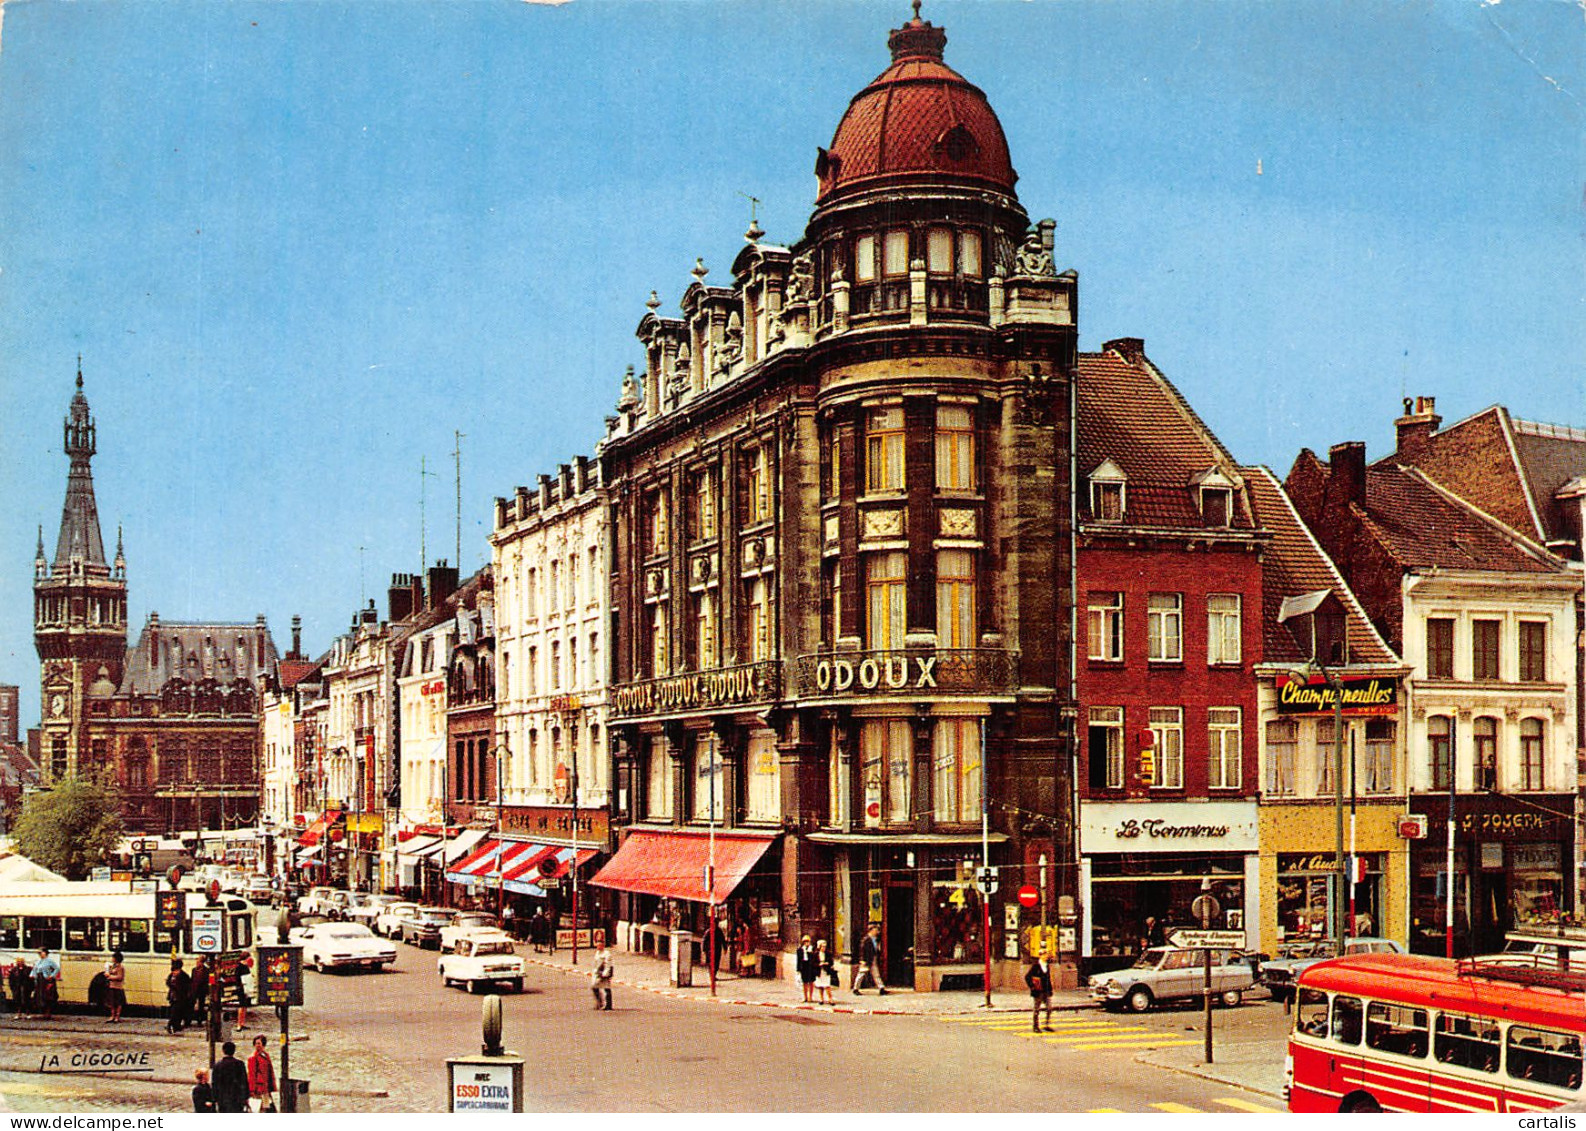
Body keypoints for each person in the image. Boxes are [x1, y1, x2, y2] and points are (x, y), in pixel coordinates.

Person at [210, 1040, 248, 1113]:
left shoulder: (217, 1066)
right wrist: (245, 1097)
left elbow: (214, 1084)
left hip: (222, 1099)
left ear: (223, 1050)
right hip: (237, 1099)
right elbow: (244, 1082)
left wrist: (214, 1099)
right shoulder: (240, 1064)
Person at [246, 1034, 277, 1112]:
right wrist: (252, 1089)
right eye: (256, 1043)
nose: (257, 1045)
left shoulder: (265, 1055)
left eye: (259, 1043)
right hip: (258, 1088)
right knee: (258, 1108)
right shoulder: (253, 1058)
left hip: (265, 1088)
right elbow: (252, 1075)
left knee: (266, 1107)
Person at [1025, 953, 1055, 1032]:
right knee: (1037, 1009)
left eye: (1047, 955)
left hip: (1046, 990)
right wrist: (1032, 986)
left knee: (1049, 1008)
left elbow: (1048, 979)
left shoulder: (1046, 966)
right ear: (1040, 956)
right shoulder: (1036, 966)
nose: (1046, 956)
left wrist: (1050, 990)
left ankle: (1046, 1024)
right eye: (1044, 955)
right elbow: (1027, 977)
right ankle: (1035, 1026)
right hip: (1038, 991)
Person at [853, 925, 886, 994]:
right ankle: (855, 988)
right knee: (861, 974)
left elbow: (876, 949)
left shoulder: (876, 939)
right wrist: (862, 960)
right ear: (871, 930)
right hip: (866, 959)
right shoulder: (866, 939)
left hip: (873, 958)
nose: (877, 932)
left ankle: (881, 988)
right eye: (875, 930)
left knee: (876, 974)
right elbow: (862, 950)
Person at [32, 948, 60, 1019]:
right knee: (40, 996)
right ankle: (43, 1012)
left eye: (41, 953)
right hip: (39, 980)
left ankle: (48, 1012)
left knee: (48, 996)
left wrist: (51, 976)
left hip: (46, 980)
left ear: (45, 953)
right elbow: (35, 969)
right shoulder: (39, 961)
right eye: (39, 953)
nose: (40, 954)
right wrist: (33, 975)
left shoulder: (49, 961)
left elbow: (57, 968)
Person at [166, 958, 193, 1033]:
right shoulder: (172, 975)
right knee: (174, 1012)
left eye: (176, 970)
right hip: (173, 996)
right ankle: (172, 1025)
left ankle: (174, 1025)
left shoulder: (184, 976)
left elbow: (187, 986)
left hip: (180, 997)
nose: (174, 972)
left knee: (178, 1012)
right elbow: (168, 982)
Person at [105, 950, 127, 1023]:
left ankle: (117, 1017)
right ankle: (112, 1016)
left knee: (118, 1003)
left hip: (118, 987)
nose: (112, 959)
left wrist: (110, 976)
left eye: (113, 957)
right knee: (112, 1002)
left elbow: (120, 977)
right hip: (112, 986)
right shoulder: (113, 966)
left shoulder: (120, 967)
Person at [190, 955, 211, 1027]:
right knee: (191, 1004)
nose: (197, 963)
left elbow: (208, 981)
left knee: (201, 1006)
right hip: (194, 990)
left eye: (198, 962)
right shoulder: (194, 970)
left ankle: (200, 1020)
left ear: (202, 963)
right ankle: (188, 1020)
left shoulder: (207, 971)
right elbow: (192, 980)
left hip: (202, 991)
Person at [591, 945, 614, 1011]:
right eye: (597, 945)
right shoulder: (597, 953)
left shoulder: (607, 954)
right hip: (598, 973)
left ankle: (608, 1005)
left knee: (606, 988)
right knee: (594, 987)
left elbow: (608, 964)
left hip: (605, 973)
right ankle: (599, 1002)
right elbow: (595, 963)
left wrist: (605, 973)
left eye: (599, 945)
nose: (598, 947)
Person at [795, 935, 817, 1003]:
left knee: (811, 982)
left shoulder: (812, 949)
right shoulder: (800, 950)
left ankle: (810, 997)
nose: (807, 943)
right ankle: (805, 997)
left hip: (811, 967)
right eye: (805, 942)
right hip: (804, 967)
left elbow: (815, 958)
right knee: (805, 983)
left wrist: (810, 953)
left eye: (808, 942)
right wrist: (798, 969)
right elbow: (798, 960)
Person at [815, 939, 837, 1005]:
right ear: (819, 947)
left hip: (826, 971)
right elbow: (813, 963)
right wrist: (819, 964)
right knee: (820, 986)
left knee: (827, 986)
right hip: (819, 971)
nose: (824, 948)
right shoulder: (816, 954)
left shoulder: (828, 954)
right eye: (822, 947)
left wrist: (827, 963)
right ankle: (821, 999)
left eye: (825, 946)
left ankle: (830, 999)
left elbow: (831, 962)